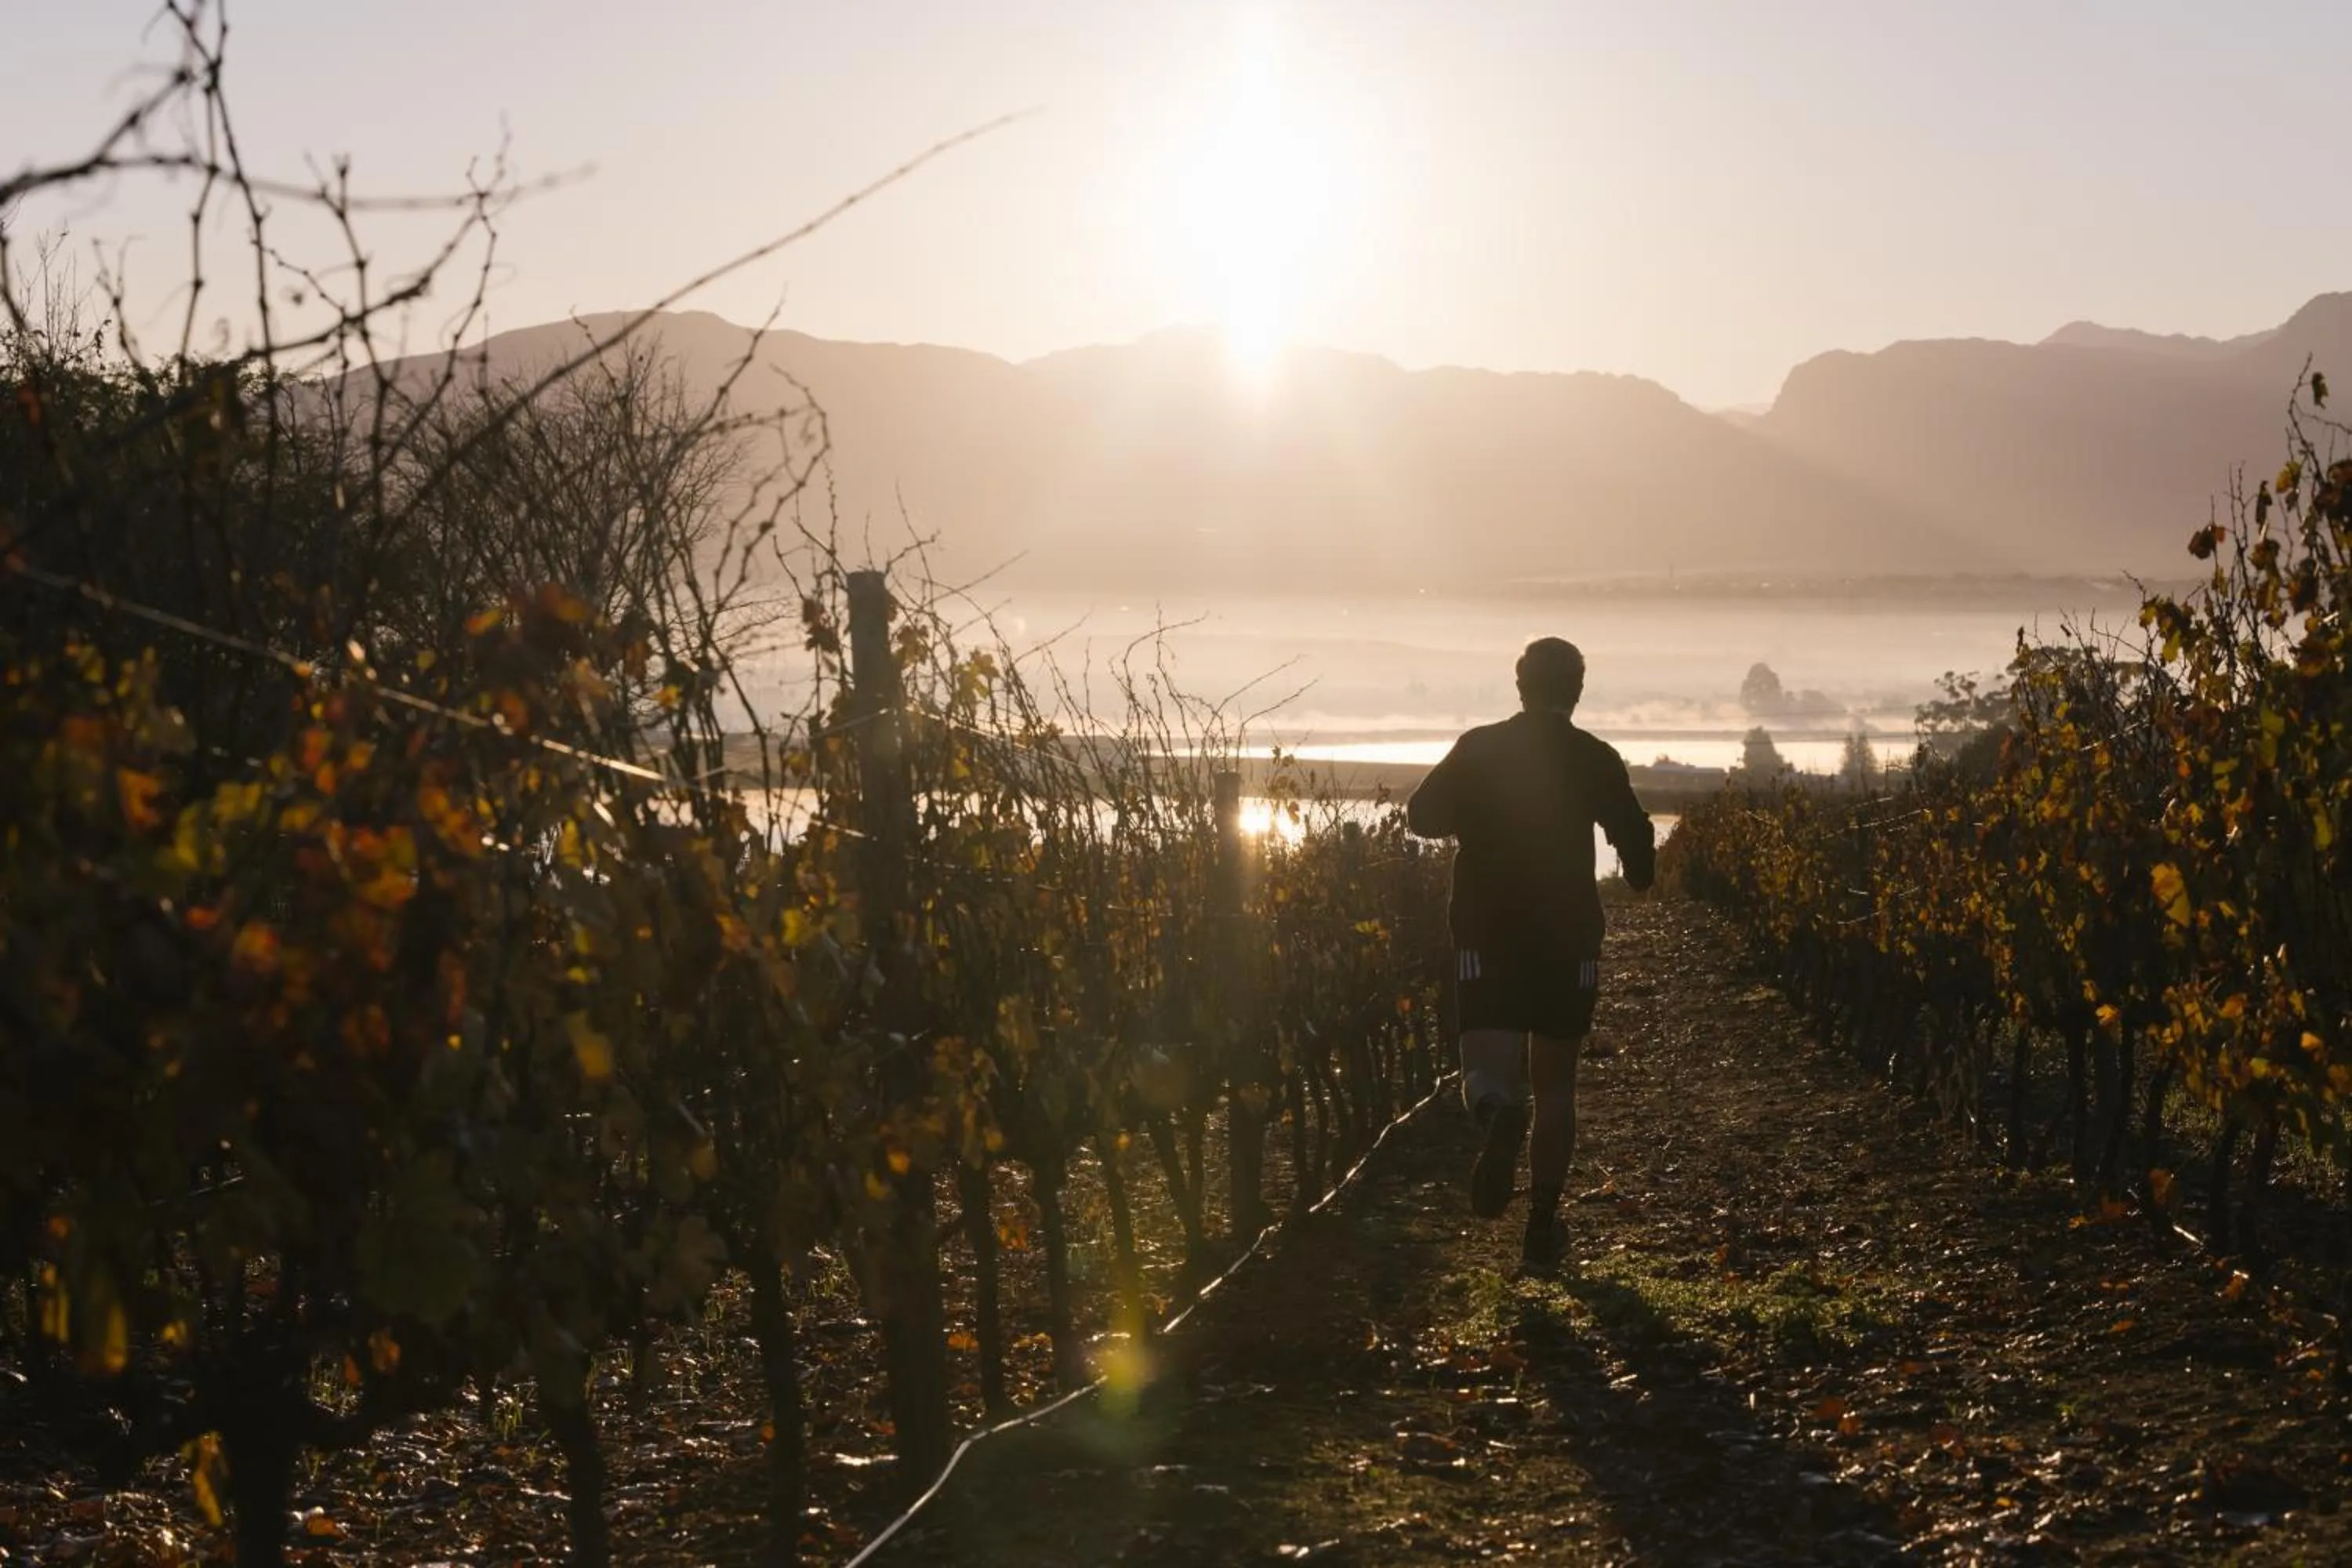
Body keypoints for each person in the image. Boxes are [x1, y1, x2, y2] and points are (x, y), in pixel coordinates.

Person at [1406, 637, 1655, 1271]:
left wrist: (1475, 813)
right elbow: (1637, 846)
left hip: (1486, 931)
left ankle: (1497, 1114)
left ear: (1520, 688)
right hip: (1568, 936)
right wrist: (1638, 869)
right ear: (1577, 690)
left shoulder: (1479, 747)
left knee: (1486, 1069)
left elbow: (1421, 816)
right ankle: (1542, 1230)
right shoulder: (1594, 756)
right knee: (1556, 1083)